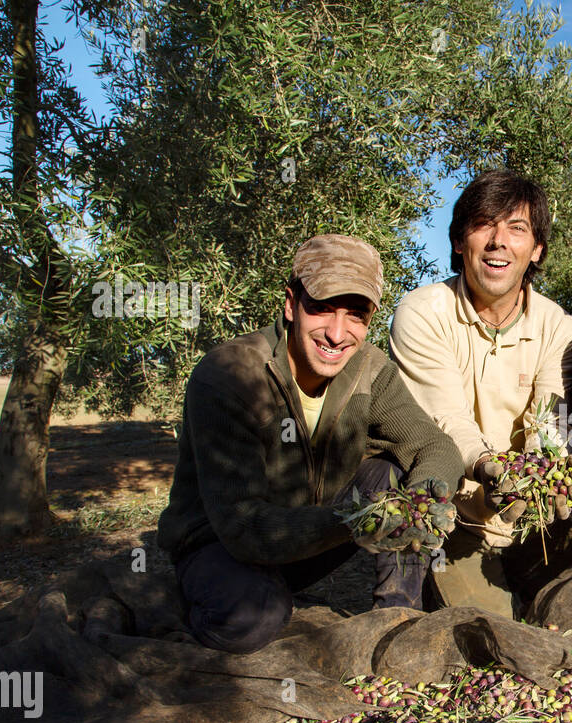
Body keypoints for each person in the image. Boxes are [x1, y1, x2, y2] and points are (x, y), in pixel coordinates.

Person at [156, 234, 464, 653]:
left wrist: (419, 503)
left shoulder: (370, 369)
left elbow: (436, 446)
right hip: (224, 546)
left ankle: (397, 623)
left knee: (392, 472)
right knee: (251, 618)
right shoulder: (229, 376)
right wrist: (360, 520)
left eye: (355, 315)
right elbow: (243, 528)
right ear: (290, 304)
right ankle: (195, 600)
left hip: (312, 535)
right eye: (321, 308)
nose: (337, 334)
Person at [390, 169, 572, 618]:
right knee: (495, 630)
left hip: (532, 522)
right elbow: (445, 420)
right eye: (483, 225)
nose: (499, 241)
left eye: (517, 229)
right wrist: (489, 468)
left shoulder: (561, 329)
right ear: (460, 242)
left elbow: (549, 424)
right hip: (456, 518)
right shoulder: (422, 313)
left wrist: (538, 476)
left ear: (536, 250)